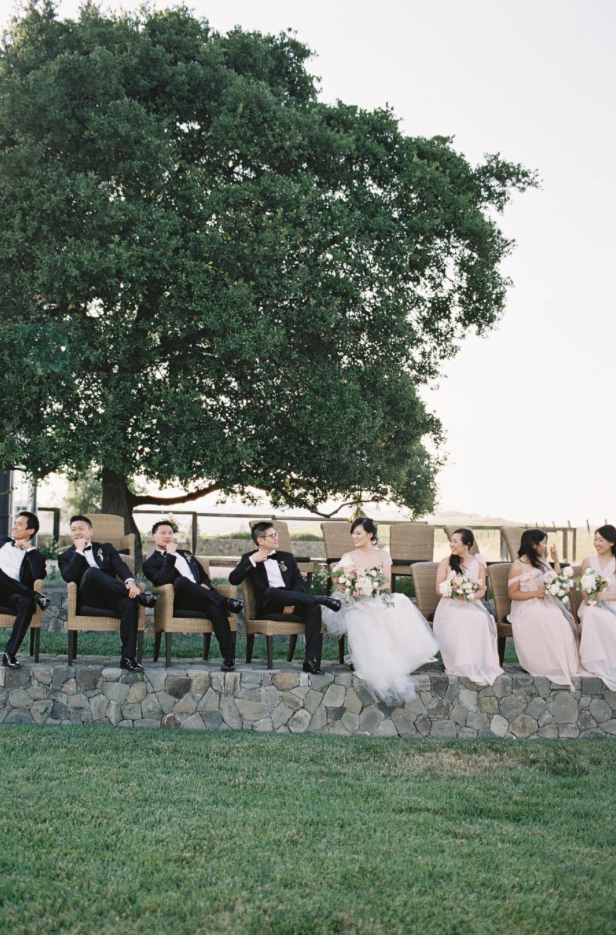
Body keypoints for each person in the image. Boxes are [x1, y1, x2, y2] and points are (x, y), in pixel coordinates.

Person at [321, 517, 439, 705]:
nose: (354, 537)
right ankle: (376, 664)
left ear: (370, 534)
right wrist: (345, 586)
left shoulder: (383, 555)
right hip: (356, 602)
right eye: (353, 533)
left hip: (376, 597)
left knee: (400, 602)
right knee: (360, 618)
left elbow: (386, 584)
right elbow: (340, 583)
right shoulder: (348, 557)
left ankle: (403, 658)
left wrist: (369, 586)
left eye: (358, 533)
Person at [229, 522, 341, 674]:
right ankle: (320, 599)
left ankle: (310, 660)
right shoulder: (249, 558)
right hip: (269, 604)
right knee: (271, 592)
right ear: (261, 540)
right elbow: (233, 579)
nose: (276, 538)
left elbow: (299, 582)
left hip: (292, 602)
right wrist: (252, 561)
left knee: (313, 609)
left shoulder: (287, 557)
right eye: (272, 535)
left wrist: (292, 601)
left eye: (276, 534)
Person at [58, 514, 157, 672]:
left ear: (91, 531)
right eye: (73, 530)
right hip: (88, 598)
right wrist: (79, 551)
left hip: (111, 596)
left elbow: (120, 567)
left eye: (81, 529)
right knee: (92, 572)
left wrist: (131, 583)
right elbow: (69, 576)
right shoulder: (65, 556)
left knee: (129, 603)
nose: (77, 532)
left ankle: (128, 658)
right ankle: (141, 596)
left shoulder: (106, 548)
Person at [143, 520, 243, 672]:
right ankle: (225, 601)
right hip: (178, 600)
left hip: (201, 597)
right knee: (181, 581)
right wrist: (170, 555)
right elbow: (163, 580)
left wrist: (205, 585)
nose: (167, 536)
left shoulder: (186, 554)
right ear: (153, 537)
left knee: (216, 609)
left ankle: (229, 659)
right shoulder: (149, 563)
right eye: (163, 533)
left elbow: (203, 575)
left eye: (170, 533)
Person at [507, 528, 586, 688]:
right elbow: (512, 594)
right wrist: (535, 593)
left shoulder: (541, 561)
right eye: (543, 543)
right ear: (533, 544)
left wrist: (556, 561)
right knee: (543, 616)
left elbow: (554, 579)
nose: (545, 546)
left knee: (558, 617)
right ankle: (544, 664)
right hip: (526, 604)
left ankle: (561, 663)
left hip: (545, 602)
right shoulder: (518, 565)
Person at [434, 528, 503, 686]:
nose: (451, 544)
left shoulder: (478, 562)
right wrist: (454, 592)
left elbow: (482, 590)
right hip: (450, 605)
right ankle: (461, 663)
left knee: (481, 618)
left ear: (467, 544)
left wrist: (468, 595)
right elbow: (438, 589)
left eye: (455, 541)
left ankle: (478, 662)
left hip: (471, 603)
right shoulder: (446, 562)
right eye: (451, 541)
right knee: (463, 618)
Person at [1, 512, 50, 668]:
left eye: (19, 524)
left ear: (30, 531)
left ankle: (9, 654)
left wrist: (29, 549)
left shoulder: (35, 556)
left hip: (11, 595)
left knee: (27, 603)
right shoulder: (1, 541)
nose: (14, 527)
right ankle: (34, 595)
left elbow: (38, 575)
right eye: (15, 523)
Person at [577, 524, 616, 690]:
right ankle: (593, 661)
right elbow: (582, 586)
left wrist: (608, 597)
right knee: (591, 614)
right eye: (595, 539)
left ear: (612, 542)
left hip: (612, 603)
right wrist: (587, 598)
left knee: (609, 619)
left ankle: (611, 662)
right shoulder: (588, 561)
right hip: (592, 604)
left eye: (601, 540)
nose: (597, 543)